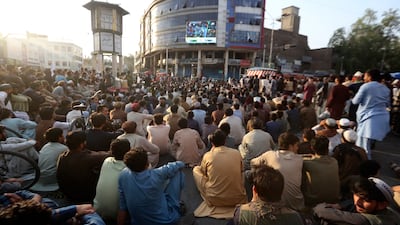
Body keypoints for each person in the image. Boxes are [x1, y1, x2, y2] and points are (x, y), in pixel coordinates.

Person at [117, 148, 185, 225]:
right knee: (177, 172)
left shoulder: (123, 175)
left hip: (138, 222)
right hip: (166, 221)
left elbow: (122, 206)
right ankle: (176, 206)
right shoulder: (157, 174)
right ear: (146, 163)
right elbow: (179, 164)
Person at [193, 129, 247, 219]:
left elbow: (203, 173)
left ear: (212, 143)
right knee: (242, 173)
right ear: (225, 140)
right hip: (237, 198)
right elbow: (241, 171)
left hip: (214, 199)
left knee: (196, 170)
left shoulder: (208, 155)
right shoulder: (236, 153)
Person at [228, 165, 306, 225]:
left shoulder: (241, 214)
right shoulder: (296, 218)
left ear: (254, 190)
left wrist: (251, 203)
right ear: (281, 190)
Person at [251, 132, 304, 211]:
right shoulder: (300, 159)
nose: (297, 148)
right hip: (296, 205)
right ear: (290, 146)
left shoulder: (270, 155)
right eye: (296, 145)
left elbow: (252, 162)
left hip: (275, 204)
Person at [313, 177, 400, 225]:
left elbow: (320, 210)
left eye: (365, 200)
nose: (357, 202)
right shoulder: (392, 214)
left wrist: (339, 206)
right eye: (356, 195)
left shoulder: (363, 221)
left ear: (382, 204)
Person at [57, 131, 109, 203]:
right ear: (82, 144)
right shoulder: (89, 158)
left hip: (67, 193)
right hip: (84, 196)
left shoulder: (63, 156)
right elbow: (105, 155)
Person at [352, 68, 391, 159]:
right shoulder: (385, 89)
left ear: (369, 77)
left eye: (365, 76)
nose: (363, 78)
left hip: (368, 119)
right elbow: (387, 103)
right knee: (368, 144)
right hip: (382, 118)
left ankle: (366, 167)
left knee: (363, 146)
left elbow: (355, 101)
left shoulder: (366, 86)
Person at [93, 139, 130, 221]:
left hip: (97, 210)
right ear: (128, 151)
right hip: (117, 215)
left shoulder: (107, 161)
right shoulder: (130, 169)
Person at [302, 135, 340, 207]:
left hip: (314, 200)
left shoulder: (307, 163)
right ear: (327, 148)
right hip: (333, 199)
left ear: (312, 148)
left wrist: (307, 155)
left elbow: (294, 158)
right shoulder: (334, 161)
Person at [30, 128, 68, 193]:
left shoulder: (46, 146)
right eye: (62, 135)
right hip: (52, 178)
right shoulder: (63, 148)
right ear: (59, 137)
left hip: (40, 176)